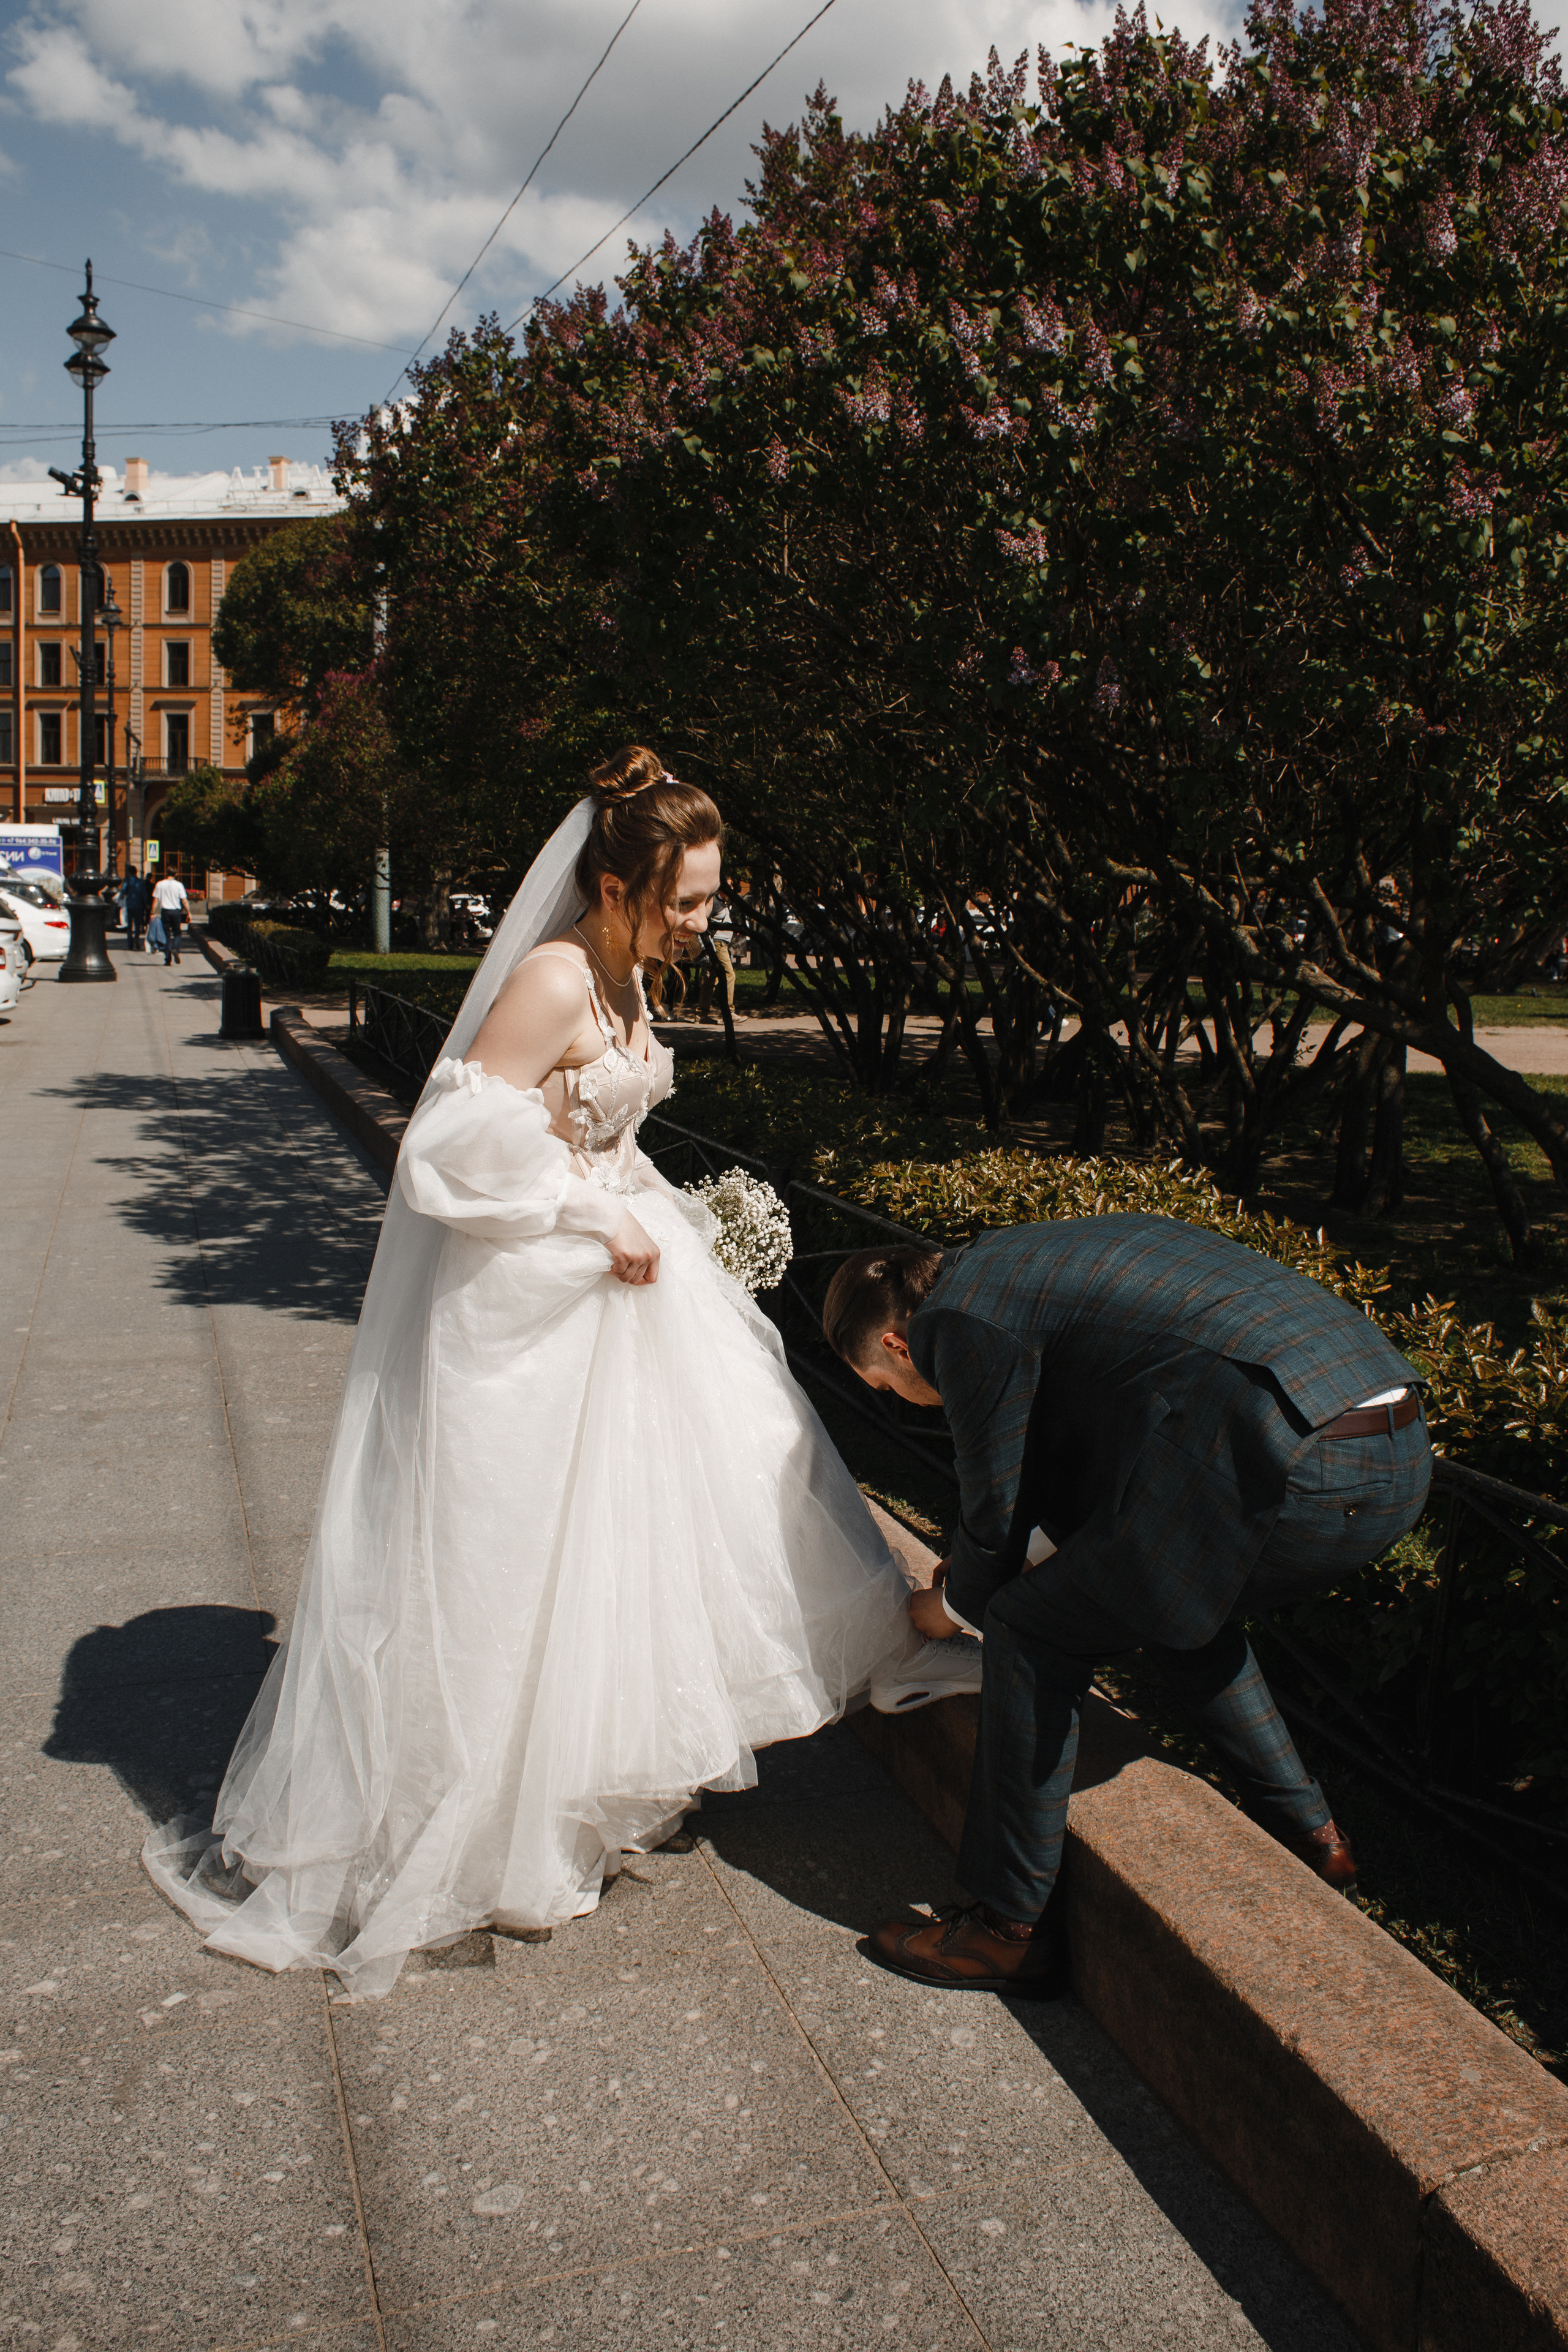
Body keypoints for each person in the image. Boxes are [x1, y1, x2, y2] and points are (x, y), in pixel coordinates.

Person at [143, 747, 978, 1999]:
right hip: (535, 1301)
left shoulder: (624, 974)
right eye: (687, 898)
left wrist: (664, 1215)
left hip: (623, 1280)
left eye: (708, 895)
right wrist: (595, 1221)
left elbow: (597, 1128)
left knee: (696, 1502)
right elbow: (450, 1146)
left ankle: (626, 1755)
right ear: (614, 879)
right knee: (523, 1557)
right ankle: (495, 1824)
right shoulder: (548, 977)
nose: (705, 918)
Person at [823, 1220, 1431, 1995]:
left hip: (1298, 1469)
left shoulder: (955, 1326)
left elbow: (997, 1511)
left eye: (889, 1386)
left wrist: (946, 1605)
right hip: (1391, 1443)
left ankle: (1006, 1932)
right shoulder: (1014, 1265)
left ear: (898, 1346)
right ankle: (1315, 1839)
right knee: (1163, 1599)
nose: (911, 1404)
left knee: (1029, 1629)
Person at [151, 868, 189, 965]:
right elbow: (184, 901)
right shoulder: (179, 885)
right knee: (177, 933)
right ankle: (176, 949)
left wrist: (152, 913)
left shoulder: (160, 884)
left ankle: (168, 959)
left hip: (165, 912)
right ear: (176, 874)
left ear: (166, 873)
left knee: (166, 935)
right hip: (176, 912)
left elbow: (156, 900)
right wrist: (189, 912)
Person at [124, 868, 152, 952]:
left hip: (130, 905)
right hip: (139, 906)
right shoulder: (141, 882)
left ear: (129, 872)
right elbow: (144, 894)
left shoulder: (127, 881)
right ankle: (137, 940)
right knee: (138, 925)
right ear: (136, 872)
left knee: (129, 926)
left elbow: (123, 891)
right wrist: (146, 903)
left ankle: (130, 943)